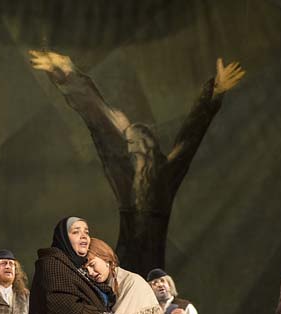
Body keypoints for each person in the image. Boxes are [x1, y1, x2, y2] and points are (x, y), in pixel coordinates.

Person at [29, 50, 244, 275]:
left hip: (148, 265)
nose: (133, 147)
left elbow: (191, 137)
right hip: (127, 262)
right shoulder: (123, 172)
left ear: (150, 145)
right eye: (130, 143)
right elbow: (97, 118)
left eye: (138, 142)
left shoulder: (164, 175)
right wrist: (67, 74)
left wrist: (214, 93)